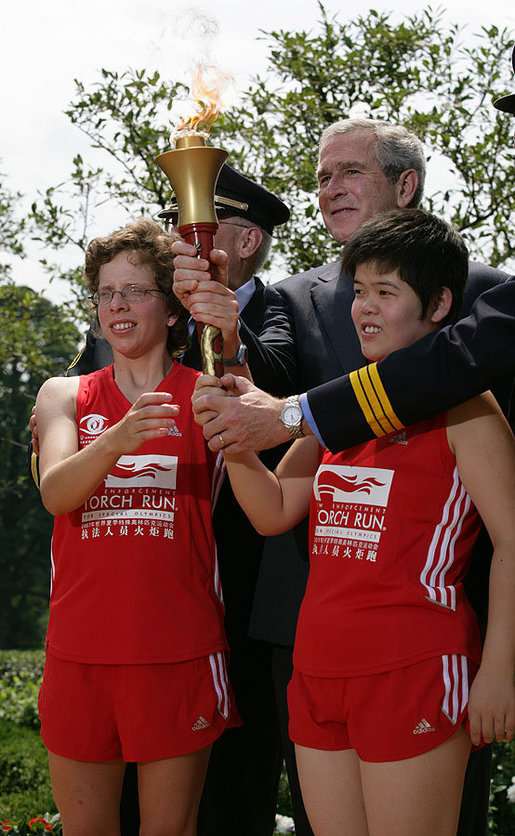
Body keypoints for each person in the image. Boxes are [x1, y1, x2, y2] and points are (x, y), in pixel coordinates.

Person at [172, 116, 514, 834]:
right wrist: (227, 359)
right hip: (314, 648)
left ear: (404, 183)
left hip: (425, 649)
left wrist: (499, 665)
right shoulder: (303, 309)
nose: (329, 189)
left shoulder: (485, 313)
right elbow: (275, 420)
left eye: (348, 172)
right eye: (322, 176)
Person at [31, 165, 291, 836]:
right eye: (106, 293)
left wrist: (228, 351)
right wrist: (117, 438)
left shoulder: (205, 390)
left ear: (171, 307)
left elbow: (264, 492)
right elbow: (57, 494)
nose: (117, 307)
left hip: (178, 652)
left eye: (137, 292)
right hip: (79, 654)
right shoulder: (66, 394)